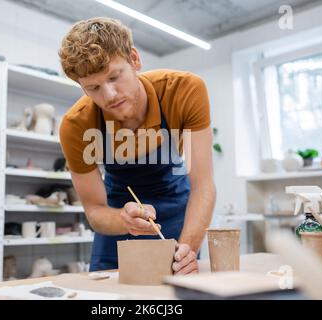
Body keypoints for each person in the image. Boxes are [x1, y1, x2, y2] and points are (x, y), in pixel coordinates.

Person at [58, 17, 216, 274]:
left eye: (114, 77)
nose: (109, 96)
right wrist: (122, 219)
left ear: (134, 59)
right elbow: (95, 209)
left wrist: (188, 248)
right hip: (119, 220)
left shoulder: (183, 92)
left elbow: (203, 185)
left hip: (178, 214)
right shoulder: (76, 126)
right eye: (93, 88)